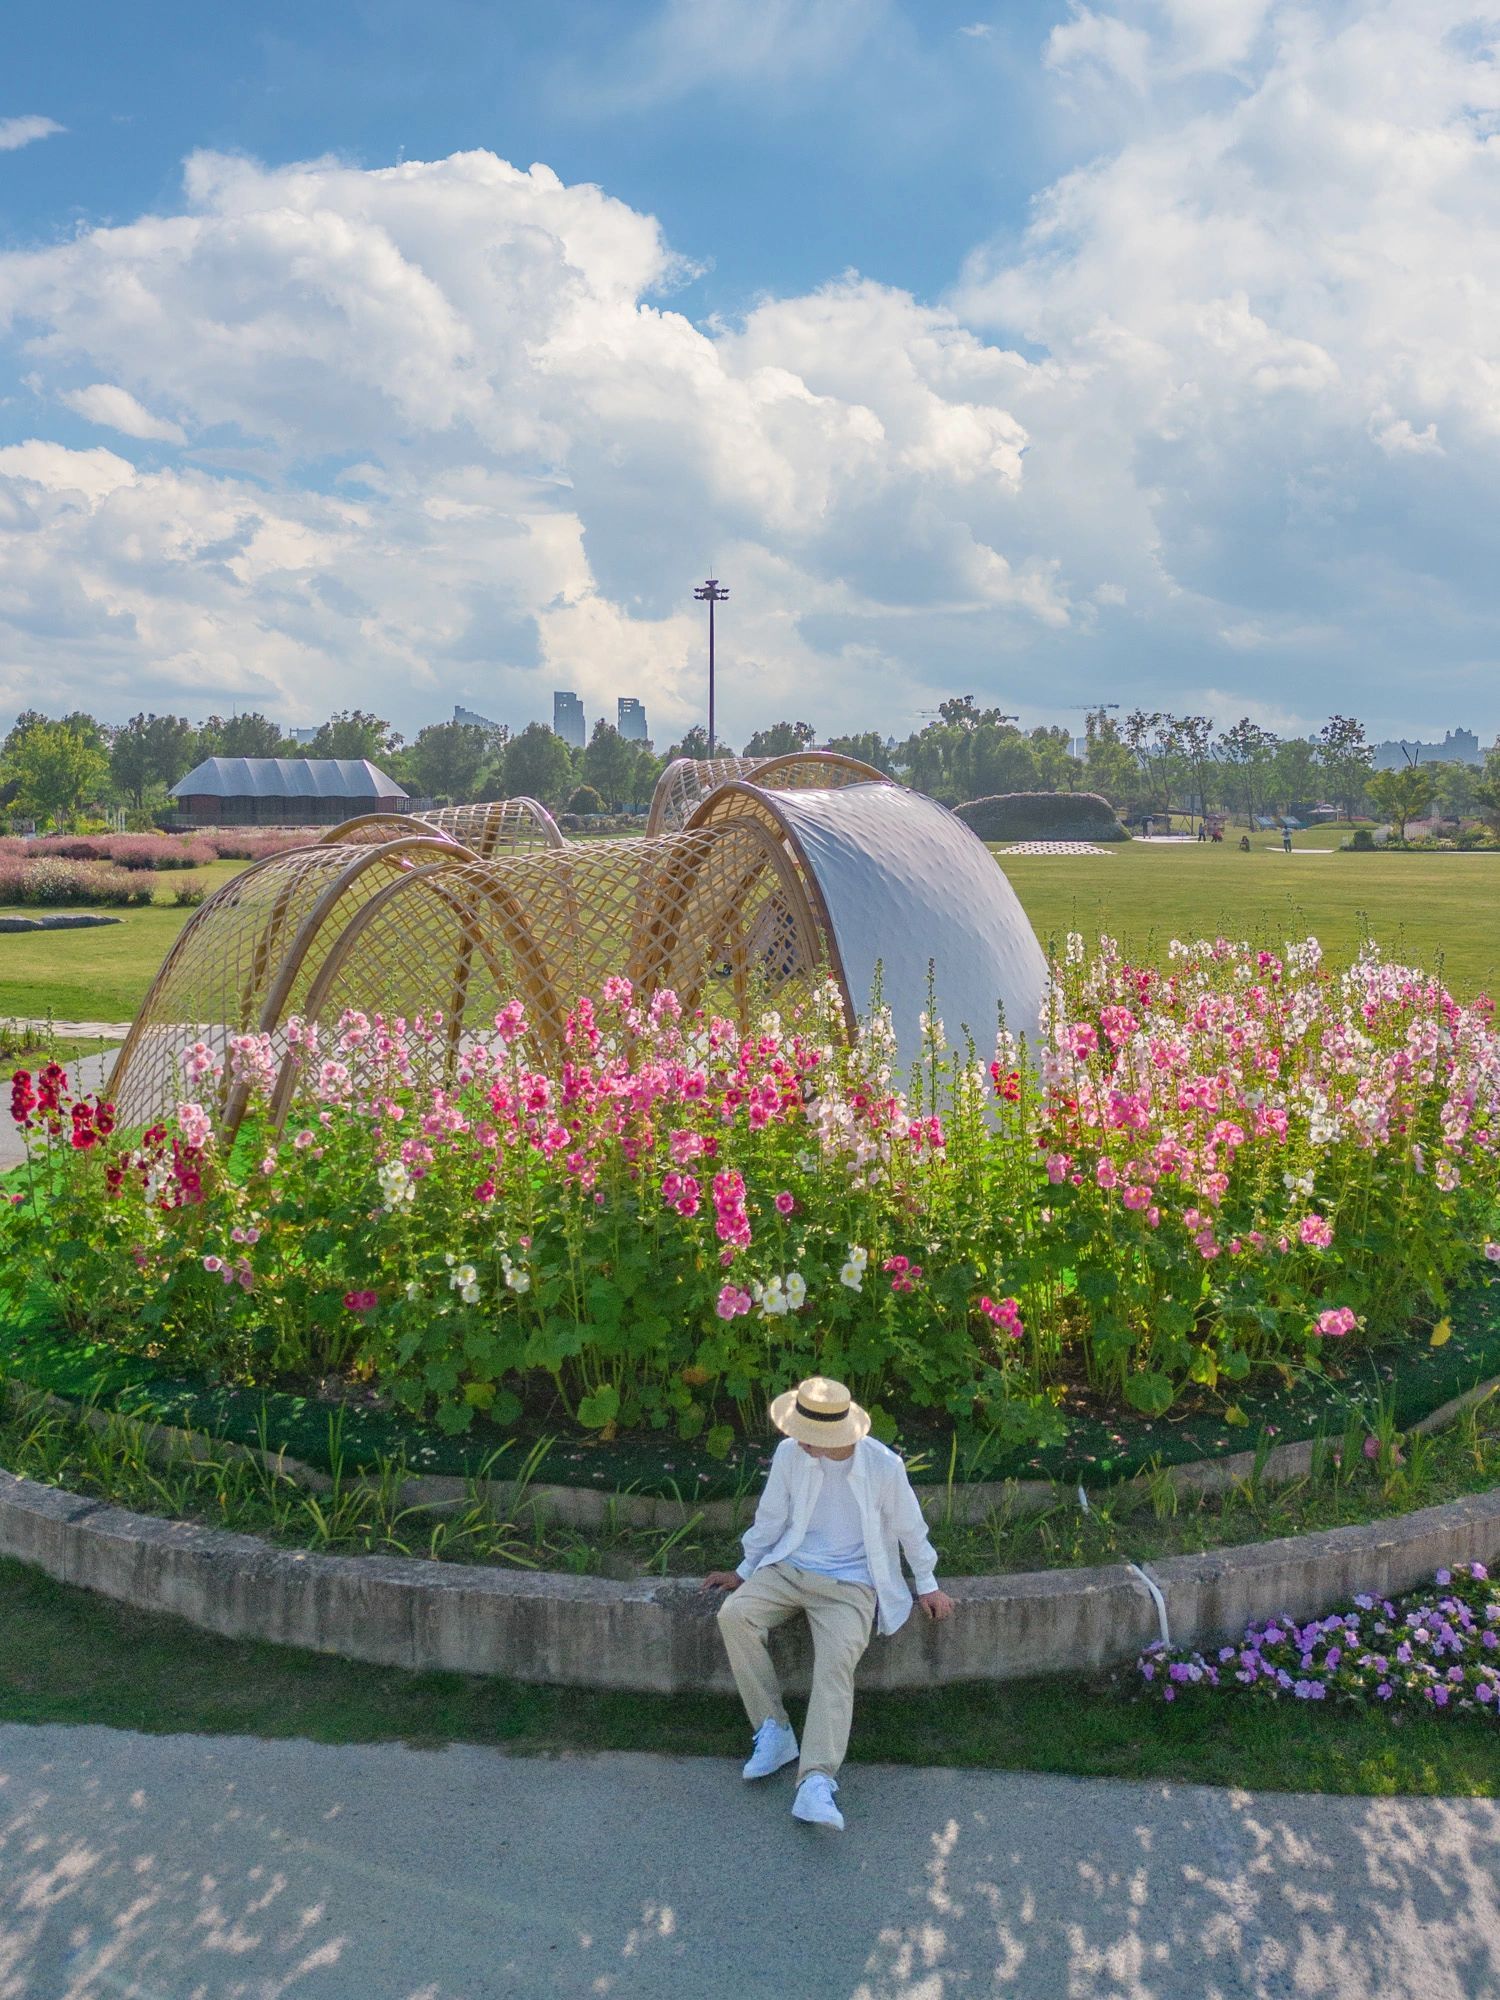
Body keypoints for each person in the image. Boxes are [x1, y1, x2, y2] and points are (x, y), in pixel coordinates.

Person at [702, 1375, 955, 1832]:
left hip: (852, 1584)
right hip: (788, 1567)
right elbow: (771, 1517)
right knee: (734, 1615)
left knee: (837, 1659)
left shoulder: (883, 1467)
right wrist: (743, 1570)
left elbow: (910, 1530)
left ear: (831, 1435)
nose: (795, 1439)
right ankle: (774, 1731)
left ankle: (816, 1780)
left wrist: (927, 1583)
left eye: (805, 1433)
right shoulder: (789, 1455)